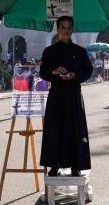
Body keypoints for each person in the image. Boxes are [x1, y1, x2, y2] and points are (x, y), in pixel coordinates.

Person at [39, 16, 93, 177]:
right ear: (58, 30)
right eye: (63, 27)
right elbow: (43, 72)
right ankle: (54, 165)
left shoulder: (80, 51)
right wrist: (54, 72)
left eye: (69, 27)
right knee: (54, 128)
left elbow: (88, 70)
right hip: (56, 95)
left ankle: (76, 165)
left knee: (75, 129)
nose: (66, 30)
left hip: (74, 95)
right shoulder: (49, 51)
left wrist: (75, 75)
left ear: (73, 29)